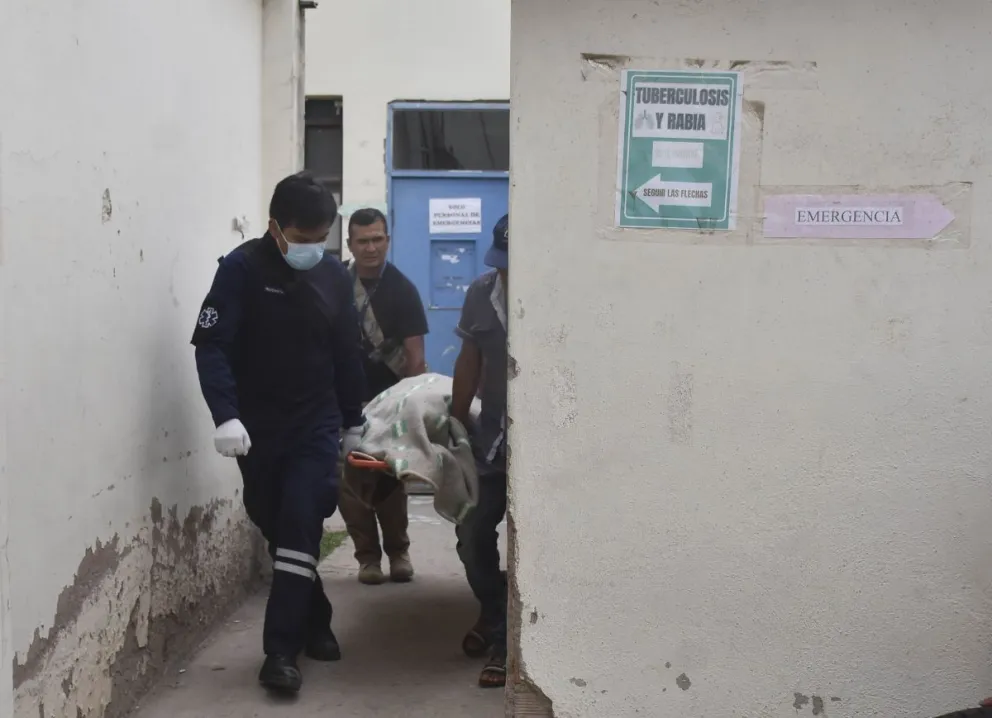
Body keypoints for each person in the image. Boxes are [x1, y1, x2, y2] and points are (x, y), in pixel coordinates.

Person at [191, 172, 366, 694]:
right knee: (275, 522)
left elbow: (346, 353)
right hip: (257, 426)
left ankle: (279, 653)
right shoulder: (241, 270)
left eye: (321, 239)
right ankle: (315, 614)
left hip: (315, 421)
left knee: (299, 517)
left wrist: (353, 420)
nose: (312, 249)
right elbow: (213, 346)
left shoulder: (334, 276)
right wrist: (224, 414)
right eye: (302, 237)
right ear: (274, 227)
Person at [337, 207, 429, 585]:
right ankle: (367, 559)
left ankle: (398, 552)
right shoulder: (333, 282)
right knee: (348, 481)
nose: (371, 247)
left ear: (387, 240)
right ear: (350, 244)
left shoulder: (403, 289)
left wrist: (406, 406)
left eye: (378, 239)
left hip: (387, 401)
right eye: (363, 241)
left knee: (390, 480)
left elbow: (416, 357)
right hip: (341, 400)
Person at [450, 213, 510, 689]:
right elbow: (469, 360)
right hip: (491, 441)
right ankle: (495, 614)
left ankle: (508, 646)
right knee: (472, 537)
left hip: (548, 449)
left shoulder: (561, 291)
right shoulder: (480, 293)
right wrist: (454, 419)